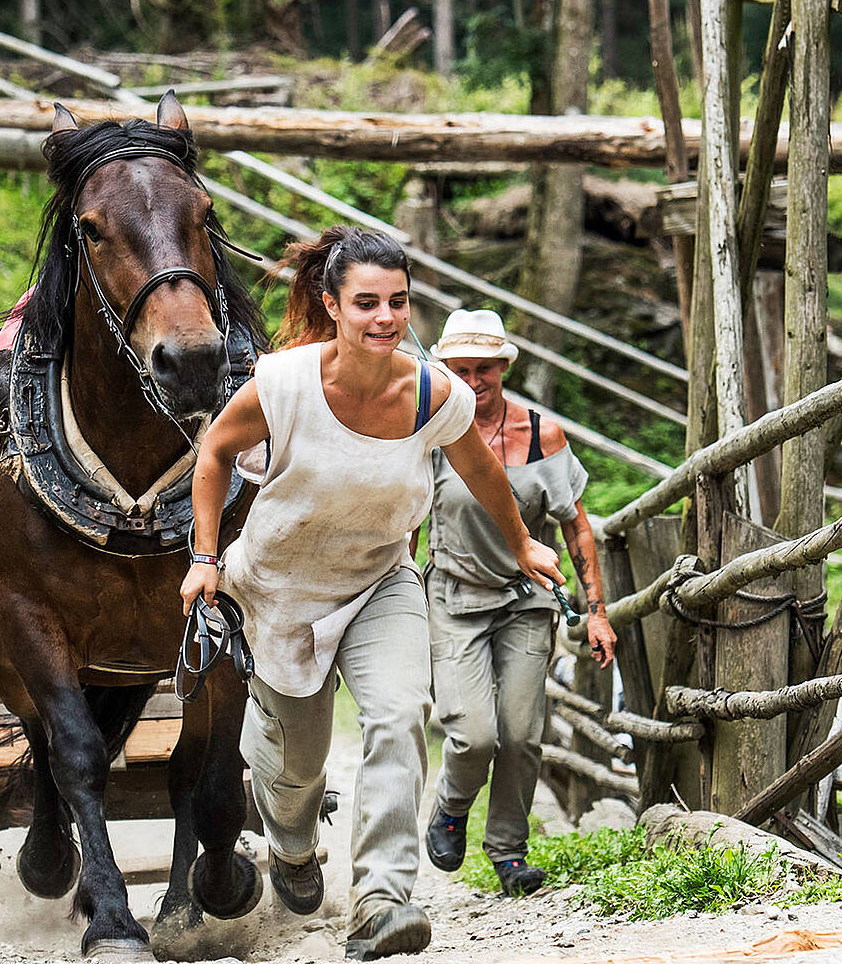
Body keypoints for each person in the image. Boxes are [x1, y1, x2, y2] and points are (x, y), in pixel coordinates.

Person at [182, 228, 564, 960]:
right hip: (281, 592)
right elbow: (216, 452)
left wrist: (521, 543)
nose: (385, 317)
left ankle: (383, 901)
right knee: (297, 769)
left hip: (380, 581)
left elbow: (482, 470)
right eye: (366, 303)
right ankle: (292, 847)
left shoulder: (430, 391)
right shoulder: (285, 383)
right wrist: (205, 557)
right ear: (331, 304)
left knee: (398, 716)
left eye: (398, 302)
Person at [416, 309, 616, 897]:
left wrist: (597, 610)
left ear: (504, 368)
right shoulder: (428, 432)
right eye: (461, 371)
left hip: (527, 601)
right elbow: (405, 517)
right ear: (443, 372)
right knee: (474, 734)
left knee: (522, 732)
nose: (474, 383)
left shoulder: (541, 433)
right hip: (453, 597)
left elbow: (577, 527)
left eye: (485, 370)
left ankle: (507, 851)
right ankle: (451, 808)